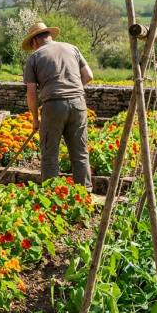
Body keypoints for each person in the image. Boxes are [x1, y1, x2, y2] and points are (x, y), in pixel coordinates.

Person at [22, 22, 94, 189]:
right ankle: (85, 194)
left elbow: (31, 93)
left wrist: (35, 119)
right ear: (49, 35)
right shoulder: (72, 48)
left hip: (54, 106)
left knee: (49, 154)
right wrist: (74, 90)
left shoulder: (35, 57)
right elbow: (89, 75)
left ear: (34, 41)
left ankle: (53, 197)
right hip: (78, 103)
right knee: (80, 152)